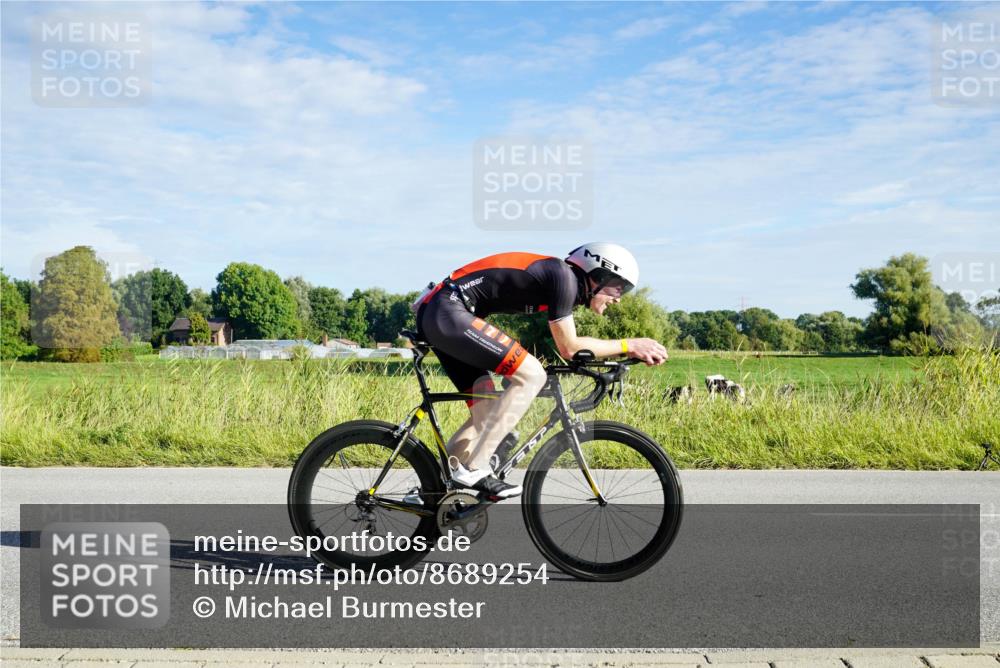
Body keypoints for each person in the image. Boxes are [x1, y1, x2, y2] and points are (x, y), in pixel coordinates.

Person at [413, 242, 668, 500]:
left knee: (489, 414)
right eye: (619, 286)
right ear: (599, 275)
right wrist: (629, 345)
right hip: (449, 311)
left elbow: (572, 348)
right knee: (533, 375)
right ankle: (475, 468)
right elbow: (569, 347)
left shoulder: (561, 282)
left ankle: (433, 495)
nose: (619, 297)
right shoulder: (563, 277)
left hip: (441, 313)